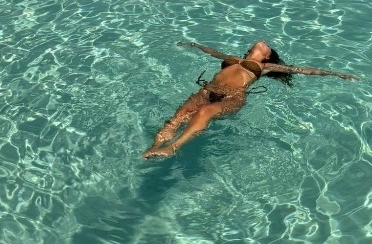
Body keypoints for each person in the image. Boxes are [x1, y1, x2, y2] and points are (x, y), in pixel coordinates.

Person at [143, 40, 360, 159]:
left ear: (267, 56)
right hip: (207, 91)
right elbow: (212, 52)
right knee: (178, 117)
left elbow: (303, 70)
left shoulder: (266, 67)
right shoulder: (233, 59)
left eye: (267, 47)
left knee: (204, 112)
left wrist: (337, 74)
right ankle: (155, 147)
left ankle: (174, 147)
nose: (264, 42)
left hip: (233, 97)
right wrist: (194, 45)